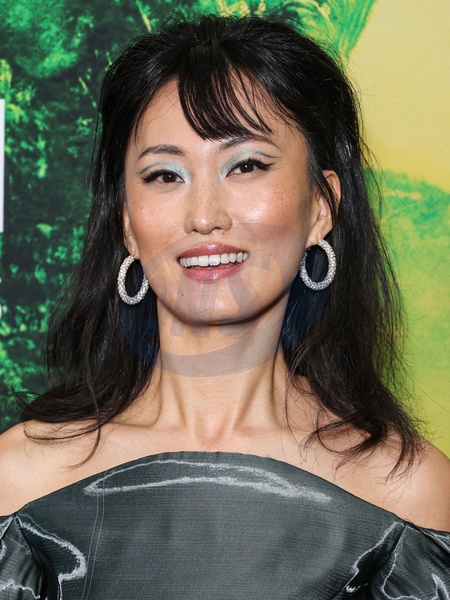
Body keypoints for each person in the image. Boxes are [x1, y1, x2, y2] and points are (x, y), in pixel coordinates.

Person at [0, 13, 449, 599]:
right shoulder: (21, 487)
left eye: (247, 166)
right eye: (165, 175)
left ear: (322, 205)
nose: (204, 215)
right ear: (127, 222)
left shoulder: (407, 496)